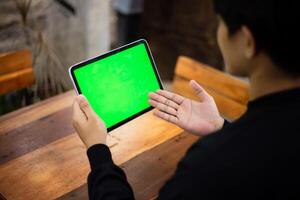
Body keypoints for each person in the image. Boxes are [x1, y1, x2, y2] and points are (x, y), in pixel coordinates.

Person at [72, 0, 300, 199]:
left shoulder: (208, 165)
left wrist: (98, 151)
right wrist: (221, 127)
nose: (217, 33)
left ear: (247, 41)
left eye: (220, 22)